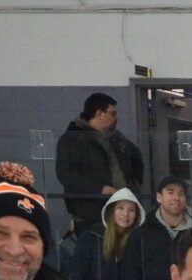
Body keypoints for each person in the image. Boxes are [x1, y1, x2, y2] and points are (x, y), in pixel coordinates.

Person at [54, 92, 145, 235]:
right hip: (91, 214)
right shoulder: (72, 139)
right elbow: (65, 174)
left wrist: (134, 186)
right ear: (99, 113)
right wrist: (99, 189)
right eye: (113, 113)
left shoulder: (117, 138)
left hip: (122, 210)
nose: (117, 118)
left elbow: (137, 161)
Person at [65, 188, 144, 280]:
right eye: (120, 208)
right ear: (111, 210)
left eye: (131, 210)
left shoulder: (140, 242)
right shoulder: (90, 239)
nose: (125, 214)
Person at [127, 177, 192, 280]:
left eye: (181, 194)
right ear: (159, 197)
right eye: (170, 192)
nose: (176, 197)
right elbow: (130, 278)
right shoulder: (141, 234)